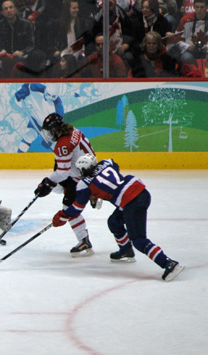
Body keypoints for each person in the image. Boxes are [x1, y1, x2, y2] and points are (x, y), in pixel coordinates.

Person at [52, 154, 185, 281]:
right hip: (141, 192)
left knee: (139, 240)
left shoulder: (84, 184)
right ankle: (126, 250)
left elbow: (77, 208)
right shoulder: (107, 162)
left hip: (131, 202)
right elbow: (112, 176)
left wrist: (63, 215)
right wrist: (98, 192)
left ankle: (169, 264)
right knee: (114, 221)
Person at [34, 113, 97, 257]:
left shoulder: (62, 144)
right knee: (56, 182)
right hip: (88, 170)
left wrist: (47, 183)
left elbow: (62, 172)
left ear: (56, 129)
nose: (49, 134)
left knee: (68, 208)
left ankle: (84, 242)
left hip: (82, 179)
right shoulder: (72, 130)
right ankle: (88, 193)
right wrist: (49, 183)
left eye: (50, 131)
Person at [13, 83, 65, 152]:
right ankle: (19, 156)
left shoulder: (58, 107)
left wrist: (52, 139)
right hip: (35, 118)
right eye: (48, 95)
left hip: (48, 125)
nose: (49, 98)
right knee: (29, 136)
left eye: (53, 97)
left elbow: (59, 125)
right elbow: (28, 86)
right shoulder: (36, 88)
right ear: (46, 90)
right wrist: (24, 91)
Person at [0, 0, 35, 78]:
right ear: (2, 12)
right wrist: (2, 50)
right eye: (6, 9)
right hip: (6, 56)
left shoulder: (27, 24)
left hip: (23, 55)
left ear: (16, 9)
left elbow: (31, 45)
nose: (9, 10)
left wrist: (22, 52)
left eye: (11, 7)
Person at [173, 0, 208, 64]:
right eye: (197, 7)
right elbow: (176, 39)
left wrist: (207, 46)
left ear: (206, 7)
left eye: (202, 7)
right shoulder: (185, 19)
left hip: (206, 50)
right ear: (193, 7)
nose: (199, 10)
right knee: (187, 58)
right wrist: (187, 46)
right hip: (190, 50)